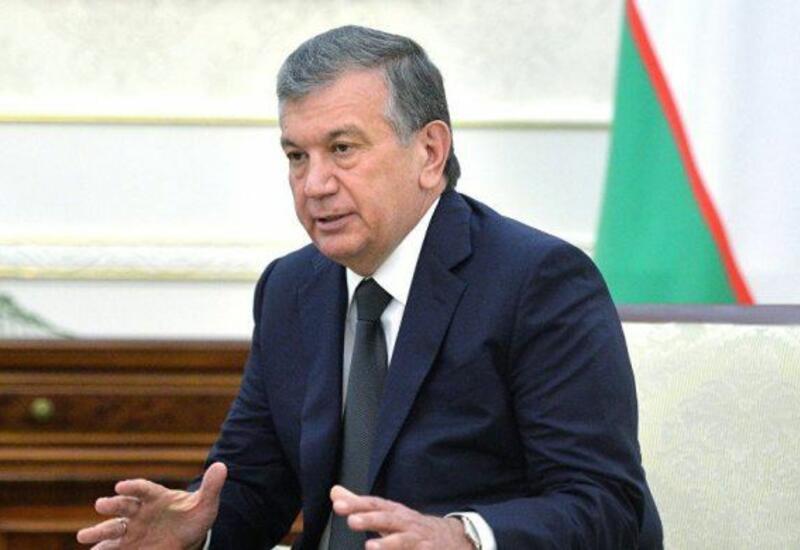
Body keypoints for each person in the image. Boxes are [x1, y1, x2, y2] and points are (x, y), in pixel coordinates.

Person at [77, 25, 662, 550]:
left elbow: (606, 506)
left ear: (430, 152)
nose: (314, 184)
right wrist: (194, 530)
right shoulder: (291, 287)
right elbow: (255, 483)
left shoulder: (537, 281)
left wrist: (463, 537)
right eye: (296, 156)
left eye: (342, 149)